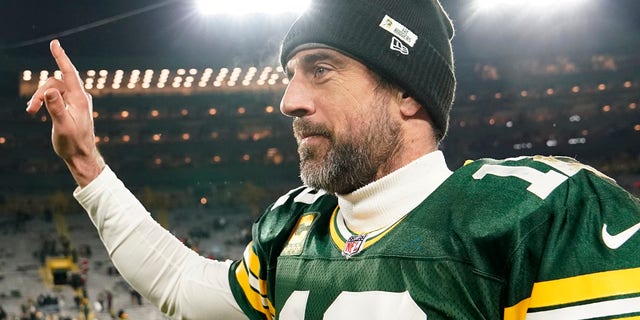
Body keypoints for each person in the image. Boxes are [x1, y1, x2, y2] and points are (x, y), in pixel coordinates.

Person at [25, 0, 640, 319]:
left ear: (407, 93)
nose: (290, 100)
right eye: (290, 75)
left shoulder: (544, 216)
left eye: (321, 69)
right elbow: (183, 286)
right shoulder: (295, 226)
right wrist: (85, 161)